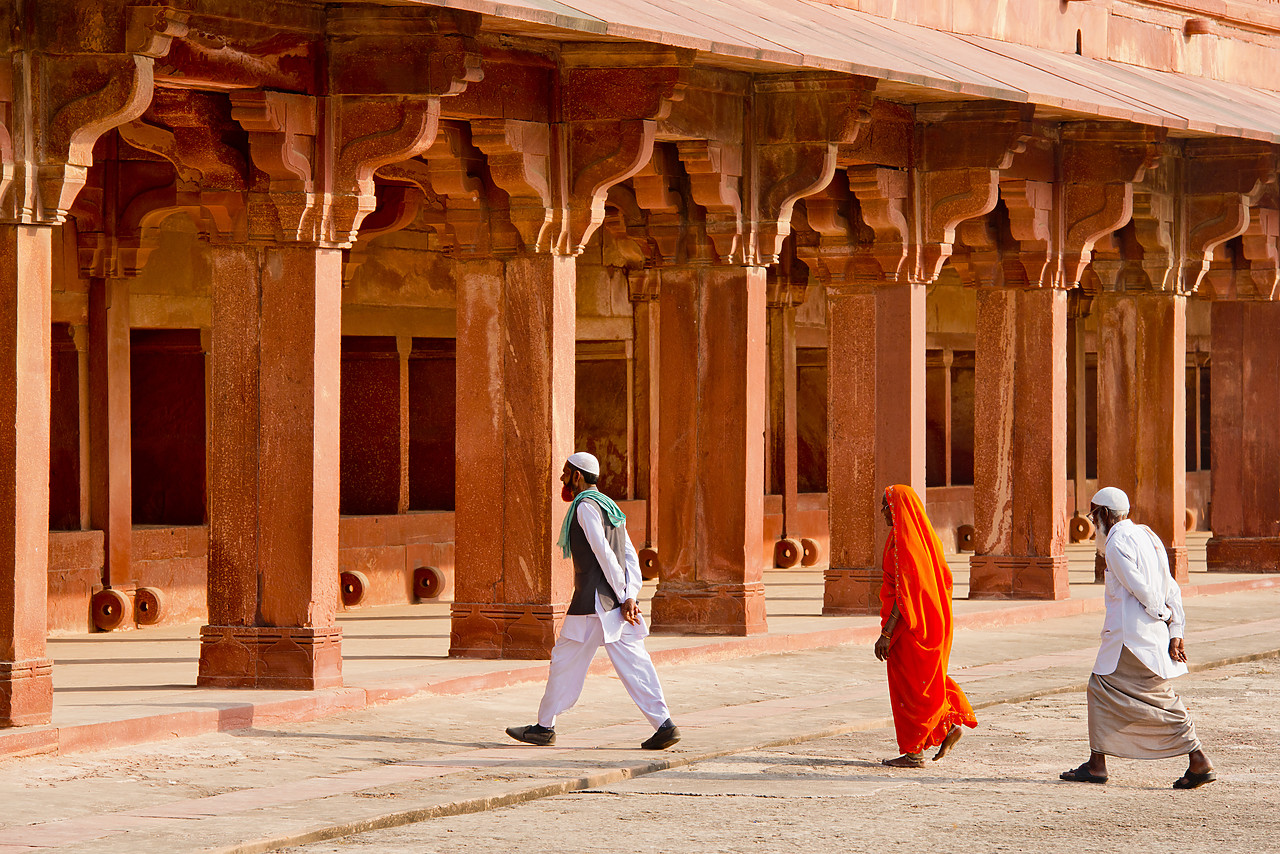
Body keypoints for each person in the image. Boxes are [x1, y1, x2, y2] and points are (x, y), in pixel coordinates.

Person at [506, 452, 680, 751]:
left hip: (595, 603)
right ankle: (664, 725)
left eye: (565, 473)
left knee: (567, 661)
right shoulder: (610, 506)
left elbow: (604, 554)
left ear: (577, 476)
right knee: (628, 663)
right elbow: (629, 557)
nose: (562, 478)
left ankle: (545, 728)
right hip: (612, 602)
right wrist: (629, 594)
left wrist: (626, 597)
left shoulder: (586, 506)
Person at [1060, 486, 1215, 789]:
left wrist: (1168, 619)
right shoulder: (1147, 535)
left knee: (1154, 697)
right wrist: (1176, 629)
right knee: (1102, 691)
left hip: (1131, 639)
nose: (1093, 525)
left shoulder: (1117, 544)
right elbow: (1171, 587)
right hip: (1143, 637)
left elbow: (1143, 590)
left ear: (1104, 514)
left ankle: (1198, 759)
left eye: (1094, 516)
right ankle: (1097, 763)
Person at [874, 484, 977, 767]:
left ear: (898, 509)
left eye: (886, 506)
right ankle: (947, 722)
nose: (882, 511)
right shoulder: (922, 538)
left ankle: (914, 751)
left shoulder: (905, 541)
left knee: (910, 687)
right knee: (926, 680)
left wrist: (886, 633)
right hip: (930, 623)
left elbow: (905, 592)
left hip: (910, 627)